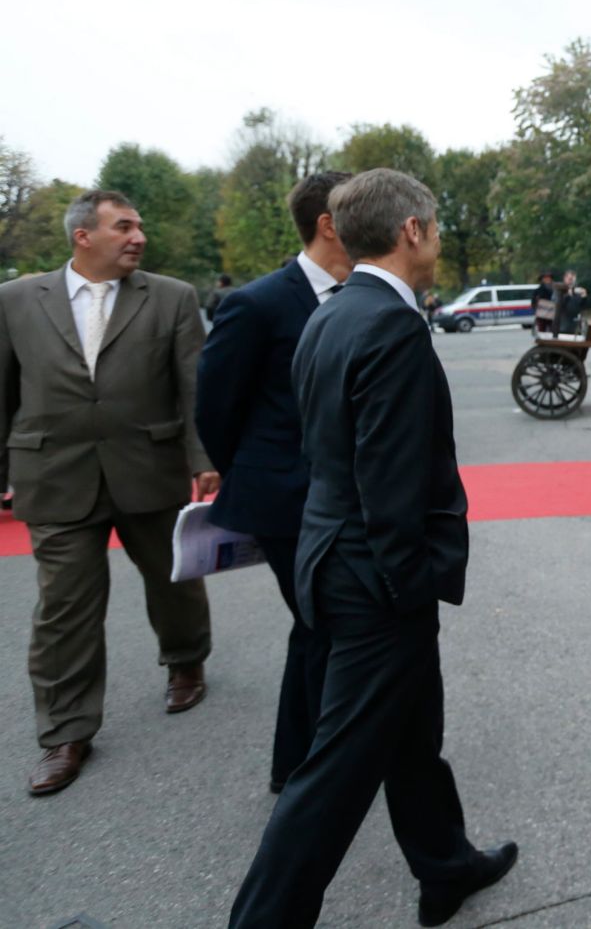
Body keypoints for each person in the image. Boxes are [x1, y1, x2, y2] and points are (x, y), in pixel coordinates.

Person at [229, 170, 516, 928]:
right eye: (435, 223)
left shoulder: (330, 311)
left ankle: (445, 866)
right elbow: (387, 480)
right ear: (411, 231)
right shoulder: (387, 323)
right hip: (375, 577)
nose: (439, 236)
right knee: (333, 772)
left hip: (332, 559)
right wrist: (409, 580)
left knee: (412, 730)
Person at [2, 189, 218, 797]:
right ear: (83, 237)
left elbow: (193, 385)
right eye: (124, 227)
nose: (138, 236)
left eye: (141, 226)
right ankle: (65, 733)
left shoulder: (172, 296)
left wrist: (204, 459)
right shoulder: (16, 300)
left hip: (148, 465)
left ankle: (185, 658)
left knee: (172, 579)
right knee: (64, 607)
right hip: (54, 475)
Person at [195, 170, 353, 794]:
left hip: (341, 499)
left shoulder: (364, 293)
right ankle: (303, 772)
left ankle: (301, 765)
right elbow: (216, 409)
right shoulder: (257, 303)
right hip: (286, 502)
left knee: (319, 625)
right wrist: (263, 476)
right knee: (324, 623)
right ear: (329, 224)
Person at [555, 270, 585, 336]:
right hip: (562, 327)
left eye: (573, 279)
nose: (571, 281)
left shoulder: (576, 291)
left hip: (576, 326)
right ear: (564, 278)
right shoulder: (559, 289)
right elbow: (557, 306)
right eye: (569, 279)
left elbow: (581, 307)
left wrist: (584, 297)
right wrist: (567, 295)